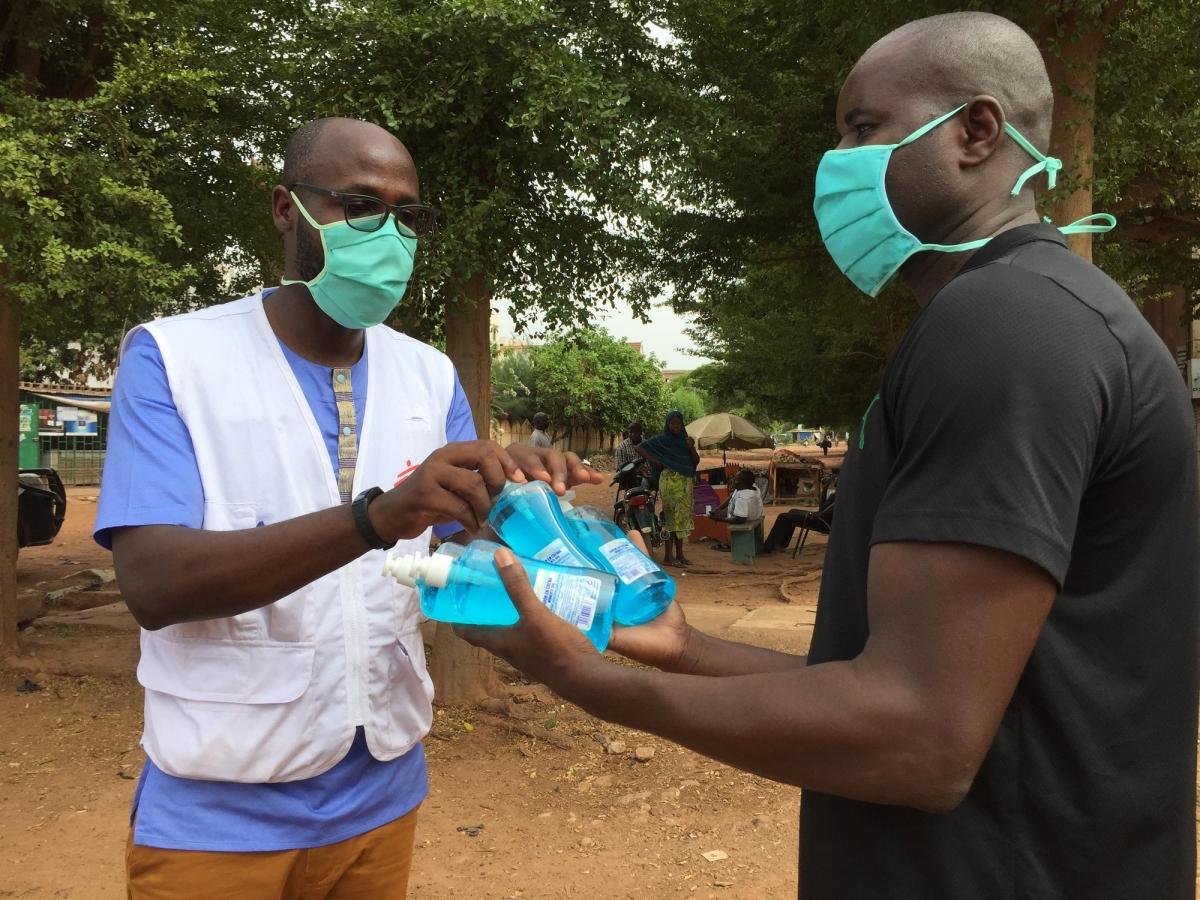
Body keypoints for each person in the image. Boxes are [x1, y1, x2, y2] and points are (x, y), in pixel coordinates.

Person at [456, 13, 1198, 900]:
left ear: (976, 131)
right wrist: (684, 648)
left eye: (862, 128)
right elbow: (899, 680)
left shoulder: (1005, 329)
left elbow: (918, 739)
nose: (836, 162)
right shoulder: (1045, 311)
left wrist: (578, 678)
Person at [94, 116, 600, 899]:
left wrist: (529, 500)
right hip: (219, 813)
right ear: (285, 207)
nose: (388, 234)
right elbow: (155, 584)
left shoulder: (429, 375)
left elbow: (463, 538)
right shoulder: (176, 357)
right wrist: (373, 518)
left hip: (380, 796)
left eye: (409, 216)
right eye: (359, 206)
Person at [636, 410, 700, 566]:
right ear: (667, 424)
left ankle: (680, 555)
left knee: (682, 519)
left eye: (678, 423)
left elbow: (696, 460)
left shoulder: (686, 441)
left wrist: (691, 447)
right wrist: (655, 461)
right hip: (669, 484)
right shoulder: (662, 440)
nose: (676, 426)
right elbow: (640, 447)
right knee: (670, 519)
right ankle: (668, 557)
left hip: (685, 484)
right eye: (672, 423)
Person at [760, 491, 835, 554]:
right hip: (820, 517)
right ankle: (780, 544)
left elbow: (825, 512)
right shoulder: (836, 494)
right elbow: (822, 508)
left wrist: (816, 514)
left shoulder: (842, 496)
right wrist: (824, 490)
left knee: (783, 516)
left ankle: (770, 546)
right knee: (792, 511)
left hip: (823, 522)